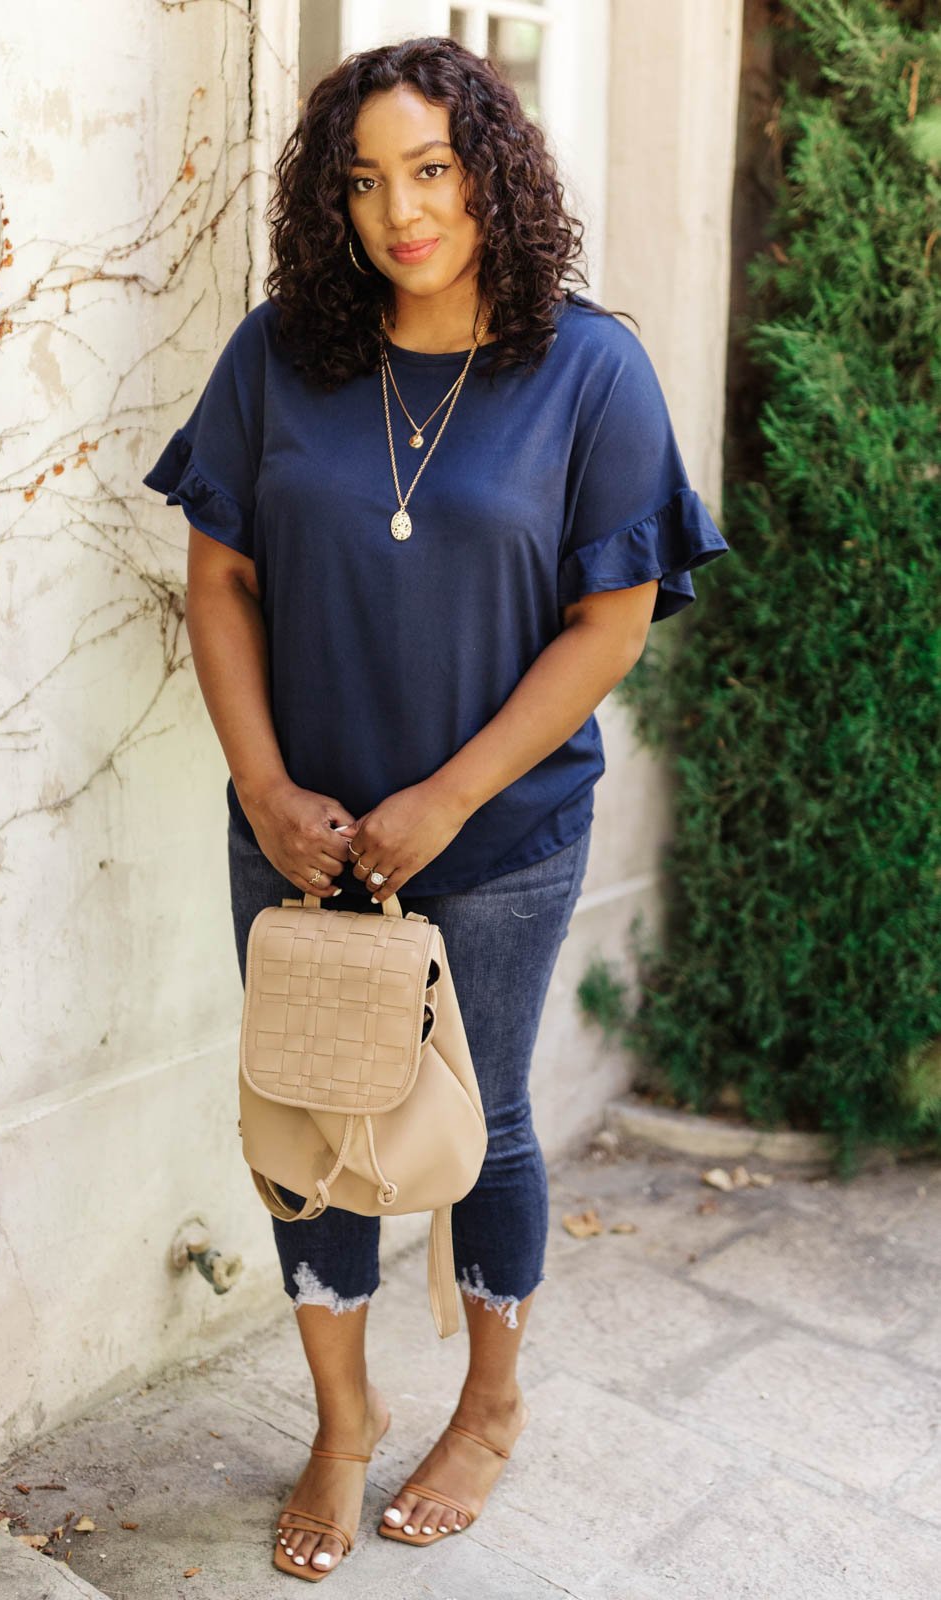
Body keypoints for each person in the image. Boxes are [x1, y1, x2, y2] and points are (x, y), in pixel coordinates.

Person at [142, 33, 729, 1583]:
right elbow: (218, 576)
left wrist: (452, 796)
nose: (401, 211)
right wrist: (264, 785)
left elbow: (610, 619)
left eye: (432, 169)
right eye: (365, 181)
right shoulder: (281, 353)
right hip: (300, 835)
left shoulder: (588, 367)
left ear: (491, 174)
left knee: (494, 1125)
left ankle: (489, 1406)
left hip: (506, 835)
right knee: (315, 1125)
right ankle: (340, 1425)